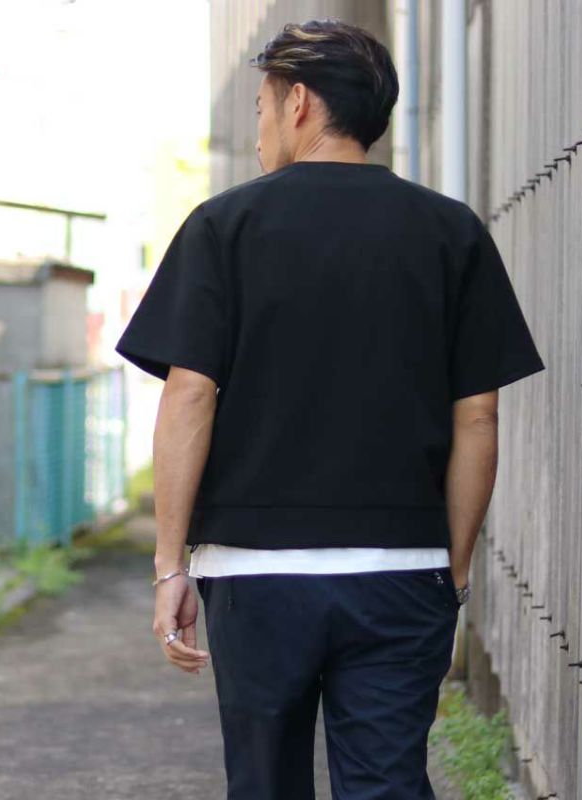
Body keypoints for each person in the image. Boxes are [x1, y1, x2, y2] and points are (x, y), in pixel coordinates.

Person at [115, 17, 545, 800]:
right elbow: (478, 416)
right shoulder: (450, 232)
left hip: (255, 572)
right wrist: (449, 567)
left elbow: (189, 394)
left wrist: (169, 565)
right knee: (387, 783)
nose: (259, 129)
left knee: (265, 784)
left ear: (300, 103)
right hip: (400, 568)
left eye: (260, 107)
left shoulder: (224, 227)